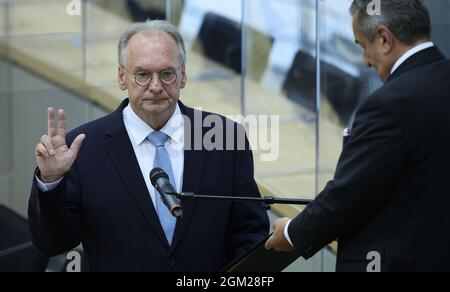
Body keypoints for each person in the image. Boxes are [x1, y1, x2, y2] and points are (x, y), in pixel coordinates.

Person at [28, 20, 269, 272]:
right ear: (122, 77)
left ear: (183, 75)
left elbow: (249, 233)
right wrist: (51, 181)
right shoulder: (82, 148)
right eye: (142, 75)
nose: (155, 87)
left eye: (166, 74)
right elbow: (53, 244)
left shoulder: (223, 137)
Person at [266, 0, 450, 272]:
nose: (365, 61)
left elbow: (350, 193)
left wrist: (294, 232)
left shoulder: (388, 105)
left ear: (384, 39)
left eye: (363, 45)